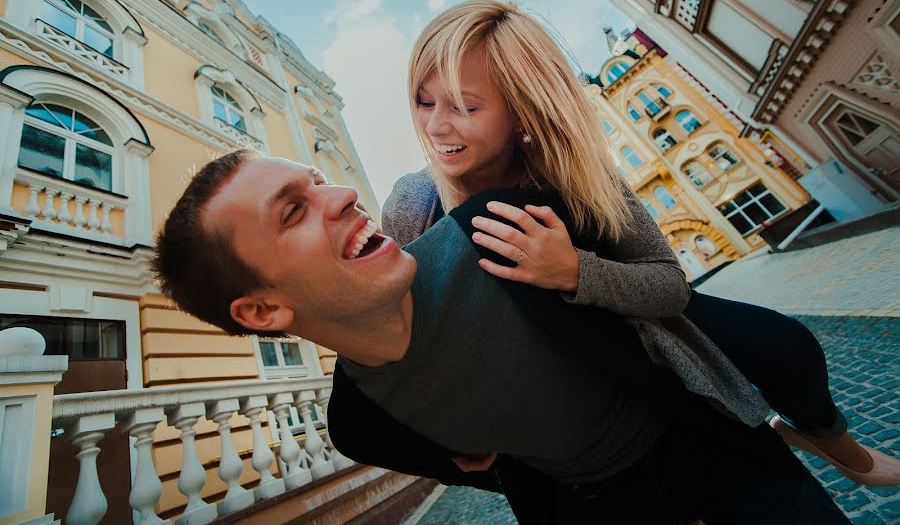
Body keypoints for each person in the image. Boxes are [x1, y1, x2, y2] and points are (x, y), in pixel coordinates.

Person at [152, 150, 852, 524]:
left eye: (319, 181)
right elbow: (496, 470)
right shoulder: (361, 425)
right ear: (264, 311)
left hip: (729, 462)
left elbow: (674, 300)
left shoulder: (500, 228)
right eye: (294, 210)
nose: (341, 195)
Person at [383, 0, 900, 488]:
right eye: (423, 102)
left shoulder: (576, 174)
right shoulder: (414, 204)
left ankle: (834, 444)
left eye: (464, 107)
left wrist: (574, 271)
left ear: (523, 112)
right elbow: (416, 335)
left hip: (634, 330)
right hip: (552, 399)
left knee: (787, 345)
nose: (434, 126)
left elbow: (670, 287)